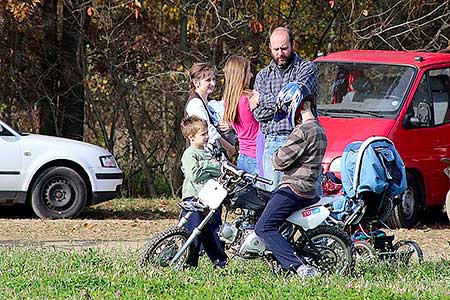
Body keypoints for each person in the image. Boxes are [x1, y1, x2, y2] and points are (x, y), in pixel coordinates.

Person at [255, 83, 327, 278]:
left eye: (287, 108)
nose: (288, 114)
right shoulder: (319, 128)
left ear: (296, 104)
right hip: (308, 187)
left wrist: (274, 154)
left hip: (295, 187)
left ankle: (298, 267)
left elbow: (279, 161)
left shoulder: (303, 131)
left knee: (263, 226)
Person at [249, 27, 317, 191]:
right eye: (276, 49)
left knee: (308, 196)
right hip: (273, 141)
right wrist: (284, 104)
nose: (280, 53)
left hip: (302, 139)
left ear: (292, 45)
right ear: (270, 48)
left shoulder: (306, 69)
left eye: (284, 48)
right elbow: (258, 114)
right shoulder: (263, 75)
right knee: (271, 196)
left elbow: (295, 100)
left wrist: (261, 99)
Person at [179, 115, 228, 268]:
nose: (207, 137)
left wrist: (207, 166)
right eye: (203, 134)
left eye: (207, 133)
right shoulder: (189, 154)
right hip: (194, 198)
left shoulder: (208, 152)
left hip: (212, 199)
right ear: (191, 137)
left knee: (214, 232)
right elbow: (194, 175)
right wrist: (210, 165)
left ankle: (220, 263)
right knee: (193, 232)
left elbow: (220, 170)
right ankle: (189, 263)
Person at [185, 62, 235, 157]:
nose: (213, 83)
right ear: (196, 83)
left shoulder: (208, 103)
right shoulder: (195, 104)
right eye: (208, 80)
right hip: (202, 158)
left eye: (213, 79)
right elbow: (208, 131)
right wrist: (229, 147)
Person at [222, 54, 259, 174]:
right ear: (241, 75)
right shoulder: (249, 99)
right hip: (257, 157)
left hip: (243, 157)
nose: (251, 75)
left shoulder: (229, 101)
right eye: (249, 72)